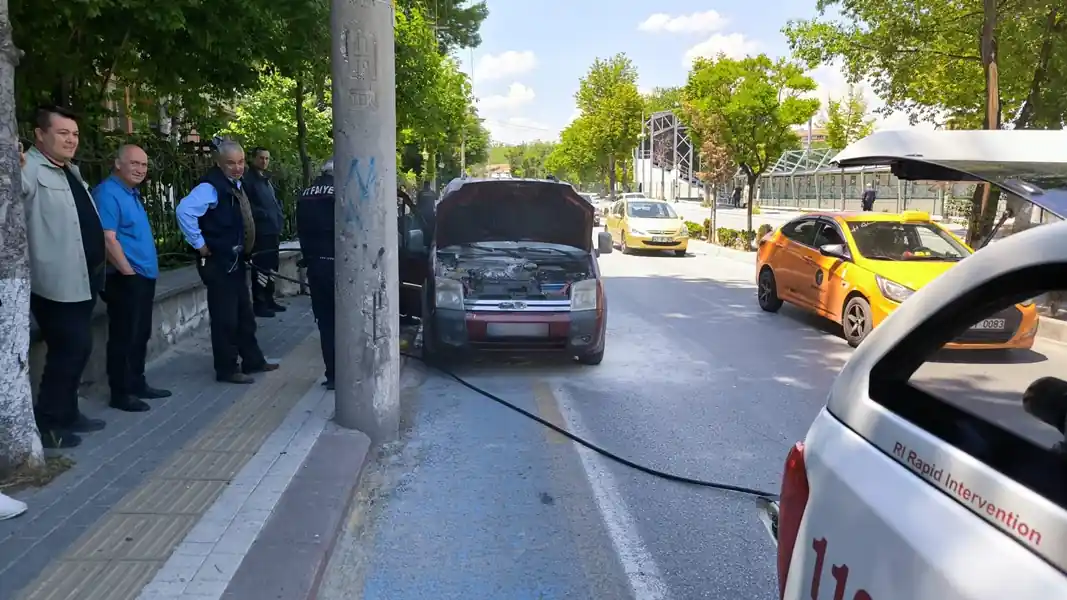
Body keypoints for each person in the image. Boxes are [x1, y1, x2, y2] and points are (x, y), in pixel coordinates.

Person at [22, 106, 107, 449]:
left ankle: (69, 413)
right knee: (69, 348)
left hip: (82, 279)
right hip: (54, 282)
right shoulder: (27, 169)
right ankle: (49, 424)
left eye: (74, 134)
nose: (71, 140)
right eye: (63, 133)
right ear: (40, 135)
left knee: (76, 346)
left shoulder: (69, 170)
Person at [175, 140, 279, 384]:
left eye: (241, 162)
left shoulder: (235, 184)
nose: (237, 167)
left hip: (236, 260)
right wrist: (199, 244)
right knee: (225, 319)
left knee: (244, 314)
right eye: (231, 163)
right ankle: (226, 369)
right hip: (220, 263)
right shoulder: (210, 187)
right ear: (219, 163)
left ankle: (252, 361)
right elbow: (184, 211)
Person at [94, 144, 172, 412]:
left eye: (144, 165)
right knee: (124, 337)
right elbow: (107, 238)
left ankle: (137, 383)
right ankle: (121, 393)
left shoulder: (131, 193)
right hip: (125, 277)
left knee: (140, 334)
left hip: (141, 277)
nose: (140, 169)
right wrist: (128, 271)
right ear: (118, 163)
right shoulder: (108, 193)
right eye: (134, 163)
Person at [296, 159, 336, 389]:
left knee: (325, 322)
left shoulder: (306, 194)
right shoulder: (341, 192)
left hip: (315, 265)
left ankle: (332, 376)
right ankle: (348, 373)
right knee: (344, 320)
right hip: (339, 264)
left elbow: (300, 229)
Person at [244, 147, 286, 318]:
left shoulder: (265, 179)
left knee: (272, 267)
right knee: (261, 268)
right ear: (253, 159)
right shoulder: (249, 180)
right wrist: (263, 214)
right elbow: (247, 206)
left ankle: (270, 299)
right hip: (261, 232)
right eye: (261, 158)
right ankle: (260, 303)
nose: (264, 161)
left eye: (267, 158)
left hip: (273, 230)